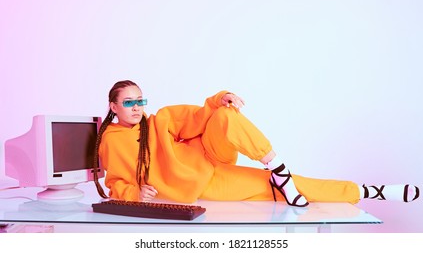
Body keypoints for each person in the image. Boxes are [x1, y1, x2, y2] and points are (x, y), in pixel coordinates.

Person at [93, 80, 420, 207]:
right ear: (113, 107)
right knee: (274, 189)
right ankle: (369, 191)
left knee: (224, 115)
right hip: (205, 184)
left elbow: (198, 115)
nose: (137, 108)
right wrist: (134, 193)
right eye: (129, 103)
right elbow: (115, 183)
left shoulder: (159, 120)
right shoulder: (110, 142)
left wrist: (222, 97)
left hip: (210, 152)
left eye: (140, 101)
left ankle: (279, 168)